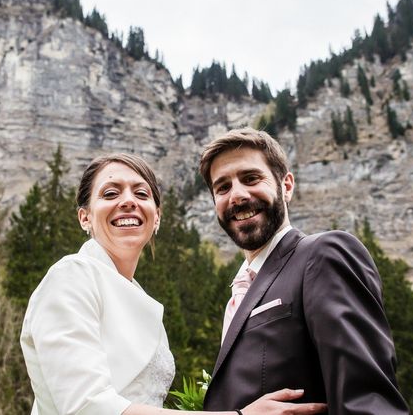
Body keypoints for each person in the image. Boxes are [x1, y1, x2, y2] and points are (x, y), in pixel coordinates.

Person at [20, 153, 327, 415]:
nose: (128, 201)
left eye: (141, 194)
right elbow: (86, 406)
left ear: (156, 218)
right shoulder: (70, 277)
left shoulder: (142, 301)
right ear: (84, 217)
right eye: (110, 194)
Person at [198, 129, 409, 414]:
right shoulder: (236, 298)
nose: (237, 195)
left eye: (250, 178)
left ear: (286, 186)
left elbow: (369, 400)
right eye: (222, 188)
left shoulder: (323, 254)